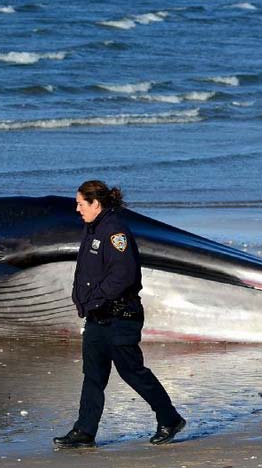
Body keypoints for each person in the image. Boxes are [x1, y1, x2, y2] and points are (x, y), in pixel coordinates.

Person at [54, 180, 186, 448]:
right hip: (97, 318)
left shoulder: (115, 232)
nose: (77, 209)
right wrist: (84, 301)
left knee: (132, 372)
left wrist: (95, 298)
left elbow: (123, 275)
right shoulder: (92, 229)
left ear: (96, 203)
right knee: (93, 376)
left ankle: (169, 418)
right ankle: (85, 431)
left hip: (120, 317)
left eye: (81, 203)